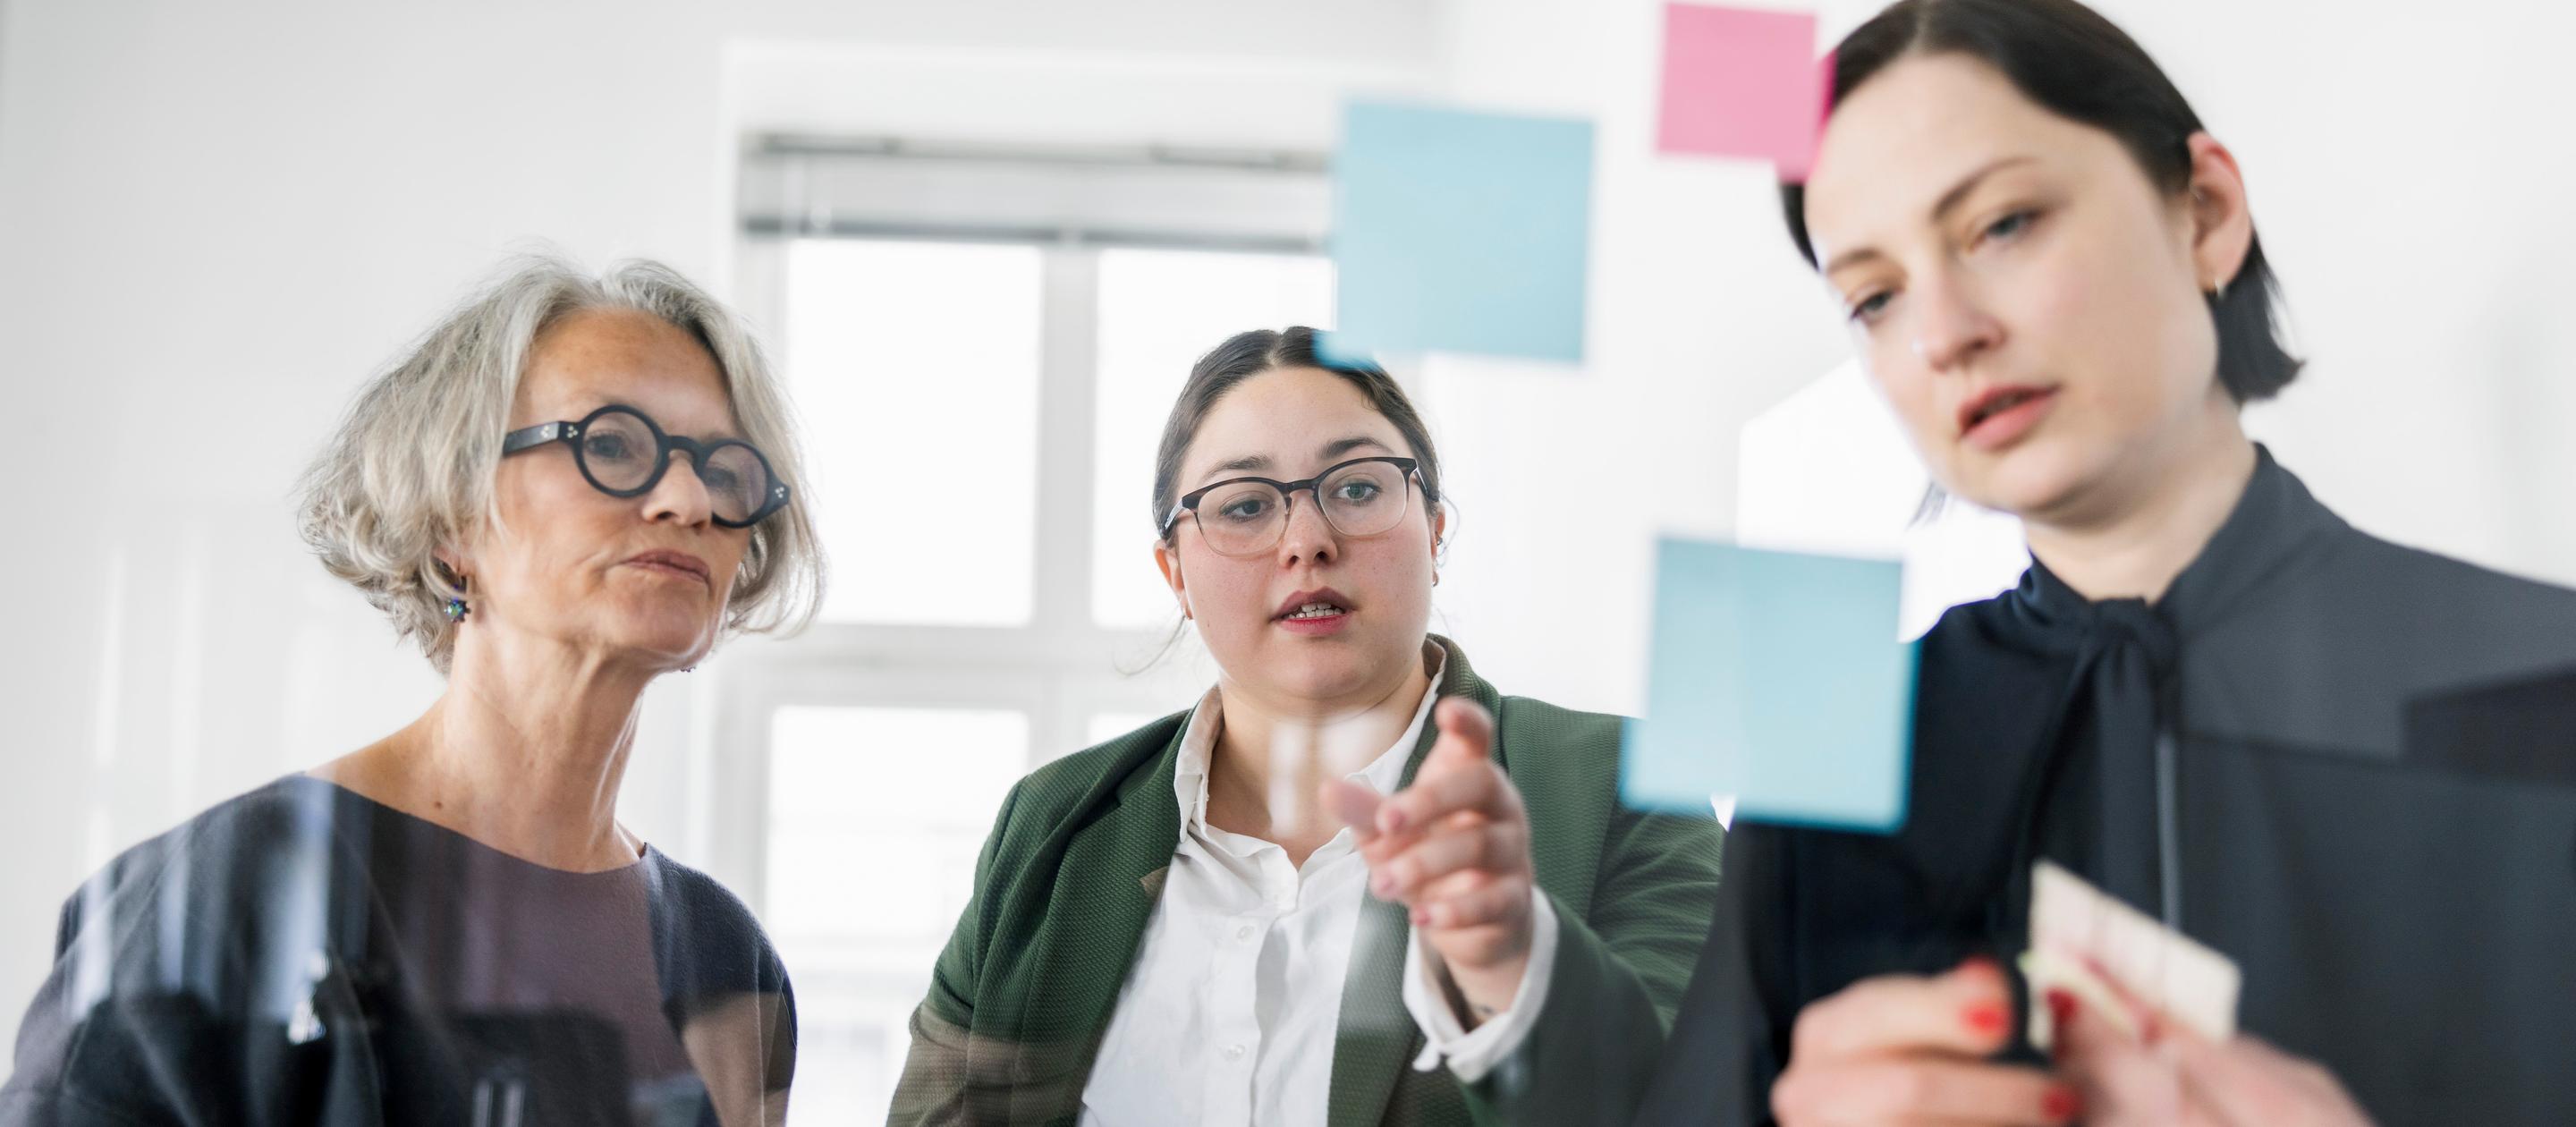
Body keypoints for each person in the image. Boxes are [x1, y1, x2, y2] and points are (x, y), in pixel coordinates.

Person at [1630, 2, 2576, 1124]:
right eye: (1875, 296)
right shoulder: (1836, 760)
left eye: (2004, 224)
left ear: (2205, 213)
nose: (1944, 332)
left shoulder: (2542, 685)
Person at [1, 256, 823, 1126]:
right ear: (451, 517)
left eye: (725, 471)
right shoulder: (223, 894)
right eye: (612, 444)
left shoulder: (726, 955)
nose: (689, 500)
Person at [888, 327, 1724, 1126]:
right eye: (1245, 505)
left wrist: (1516, 971)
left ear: (1434, 531)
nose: (1307, 541)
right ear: (1175, 573)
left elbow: (1701, 1103)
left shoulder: (1625, 784)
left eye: (1357, 488)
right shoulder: (1048, 823)